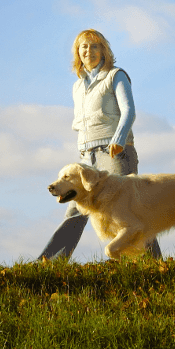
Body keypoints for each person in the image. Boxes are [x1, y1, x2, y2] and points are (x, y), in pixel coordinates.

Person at [38, 29, 162, 260]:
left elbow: (129, 111)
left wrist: (119, 138)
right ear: (78, 53)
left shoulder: (116, 75)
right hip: (87, 157)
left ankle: (153, 262)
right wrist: (83, 151)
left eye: (95, 46)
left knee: (129, 209)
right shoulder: (77, 86)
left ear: (104, 50)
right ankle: (50, 261)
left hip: (115, 152)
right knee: (75, 210)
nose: (89, 51)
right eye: (84, 47)